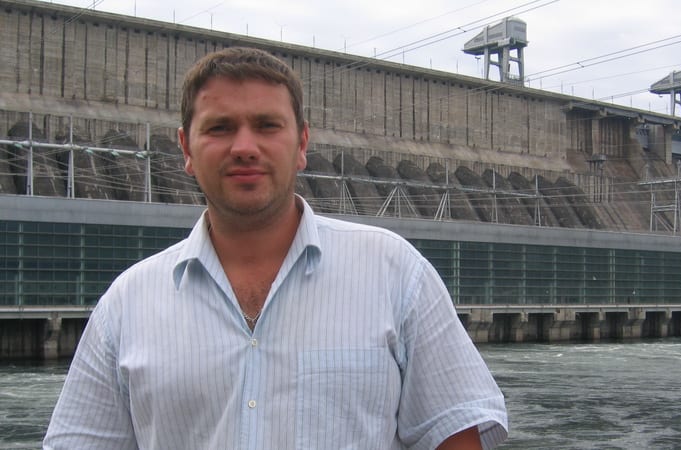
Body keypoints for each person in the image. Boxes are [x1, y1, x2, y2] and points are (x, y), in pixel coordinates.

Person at [44, 47, 508, 449]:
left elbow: (455, 436)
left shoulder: (395, 274)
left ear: (302, 142)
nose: (244, 147)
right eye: (220, 128)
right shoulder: (127, 304)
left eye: (267, 126)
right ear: (185, 148)